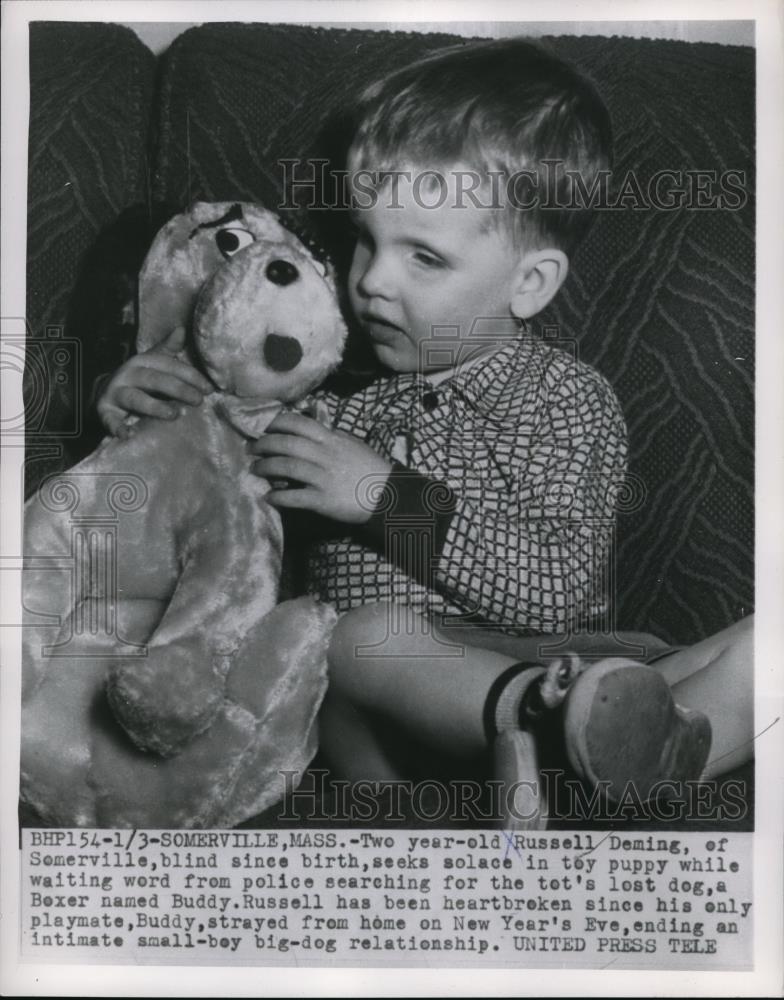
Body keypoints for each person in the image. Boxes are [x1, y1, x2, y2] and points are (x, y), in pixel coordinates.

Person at [98, 39, 753, 821]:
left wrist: (382, 497)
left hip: (568, 670)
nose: (371, 279)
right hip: (385, 732)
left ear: (531, 283)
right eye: (366, 238)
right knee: (359, 640)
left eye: (424, 258)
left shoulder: (568, 400)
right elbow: (207, 479)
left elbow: (556, 592)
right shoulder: (335, 400)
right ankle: (563, 759)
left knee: (762, 642)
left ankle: (626, 755)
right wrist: (142, 402)